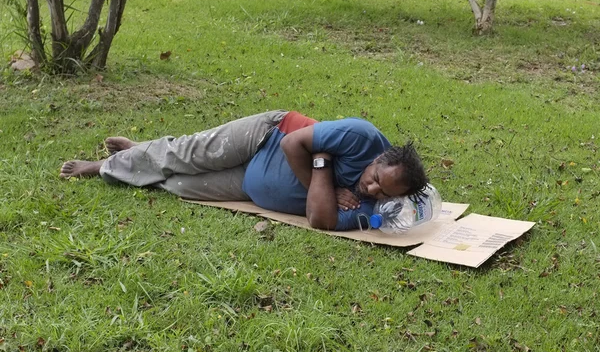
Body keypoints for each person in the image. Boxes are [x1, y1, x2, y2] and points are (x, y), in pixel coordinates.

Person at [60, 110, 429, 231]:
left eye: (385, 194)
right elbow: (292, 143)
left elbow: (320, 219)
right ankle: (101, 166)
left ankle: (140, 152)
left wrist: (324, 168)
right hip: (264, 138)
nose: (373, 190)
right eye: (376, 179)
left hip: (251, 184)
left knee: (180, 184)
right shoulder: (361, 136)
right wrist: (326, 170)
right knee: (184, 154)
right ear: (380, 158)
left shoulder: (378, 208)